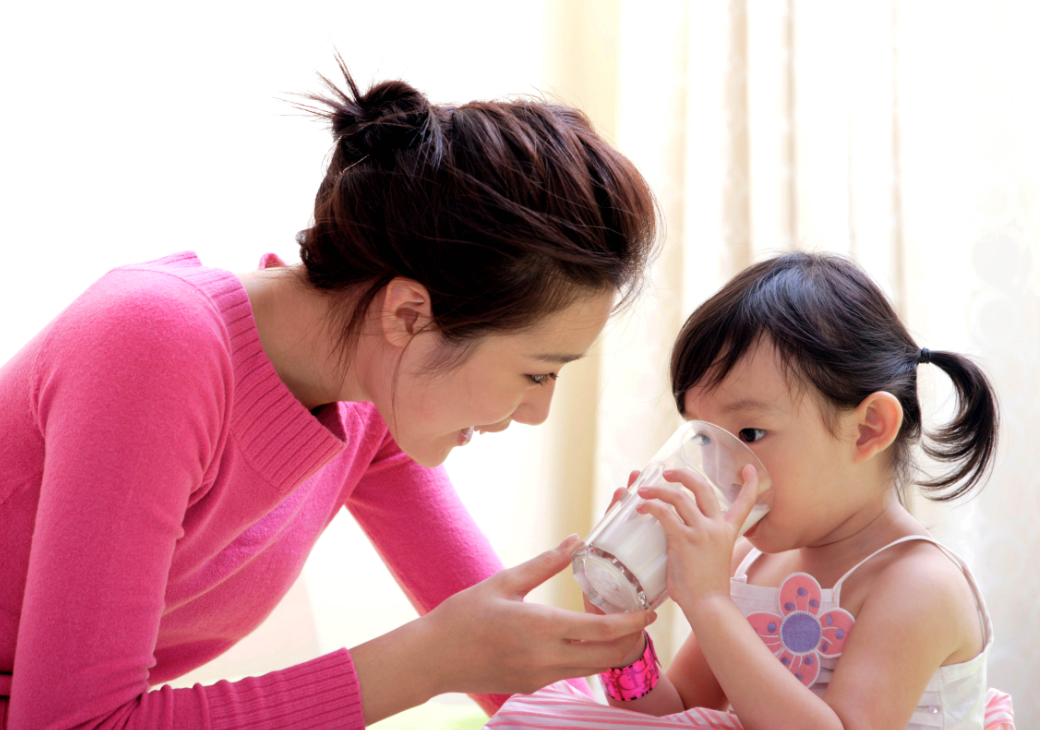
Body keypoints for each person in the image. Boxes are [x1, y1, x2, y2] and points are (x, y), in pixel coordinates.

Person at [0, 60, 661, 730]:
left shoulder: (371, 406)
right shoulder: (154, 342)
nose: (536, 412)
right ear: (408, 315)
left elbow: (521, 687)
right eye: (537, 372)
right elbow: (69, 725)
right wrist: (427, 664)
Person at [491, 252, 1014, 730]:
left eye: (749, 434)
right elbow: (676, 711)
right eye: (704, 438)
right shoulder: (749, 564)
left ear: (869, 428)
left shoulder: (917, 583)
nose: (722, 468)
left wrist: (710, 601)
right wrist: (624, 647)